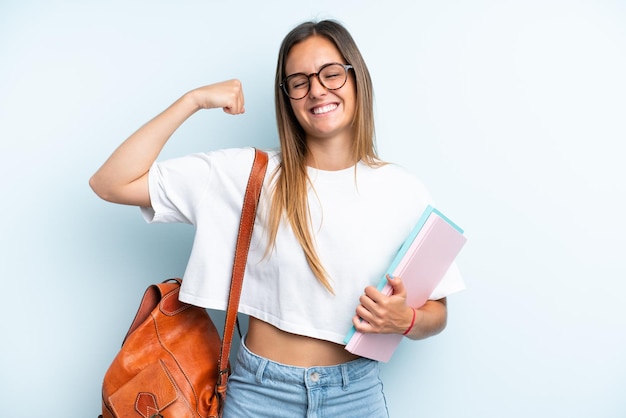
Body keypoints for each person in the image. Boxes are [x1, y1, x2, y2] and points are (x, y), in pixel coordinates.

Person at [90, 19, 464, 418]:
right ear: (286, 97)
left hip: (356, 396)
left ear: (356, 79)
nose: (317, 89)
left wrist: (404, 319)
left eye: (331, 73)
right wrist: (193, 100)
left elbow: (437, 314)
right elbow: (111, 183)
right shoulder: (249, 174)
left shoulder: (402, 189)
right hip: (259, 396)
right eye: (299, 81)